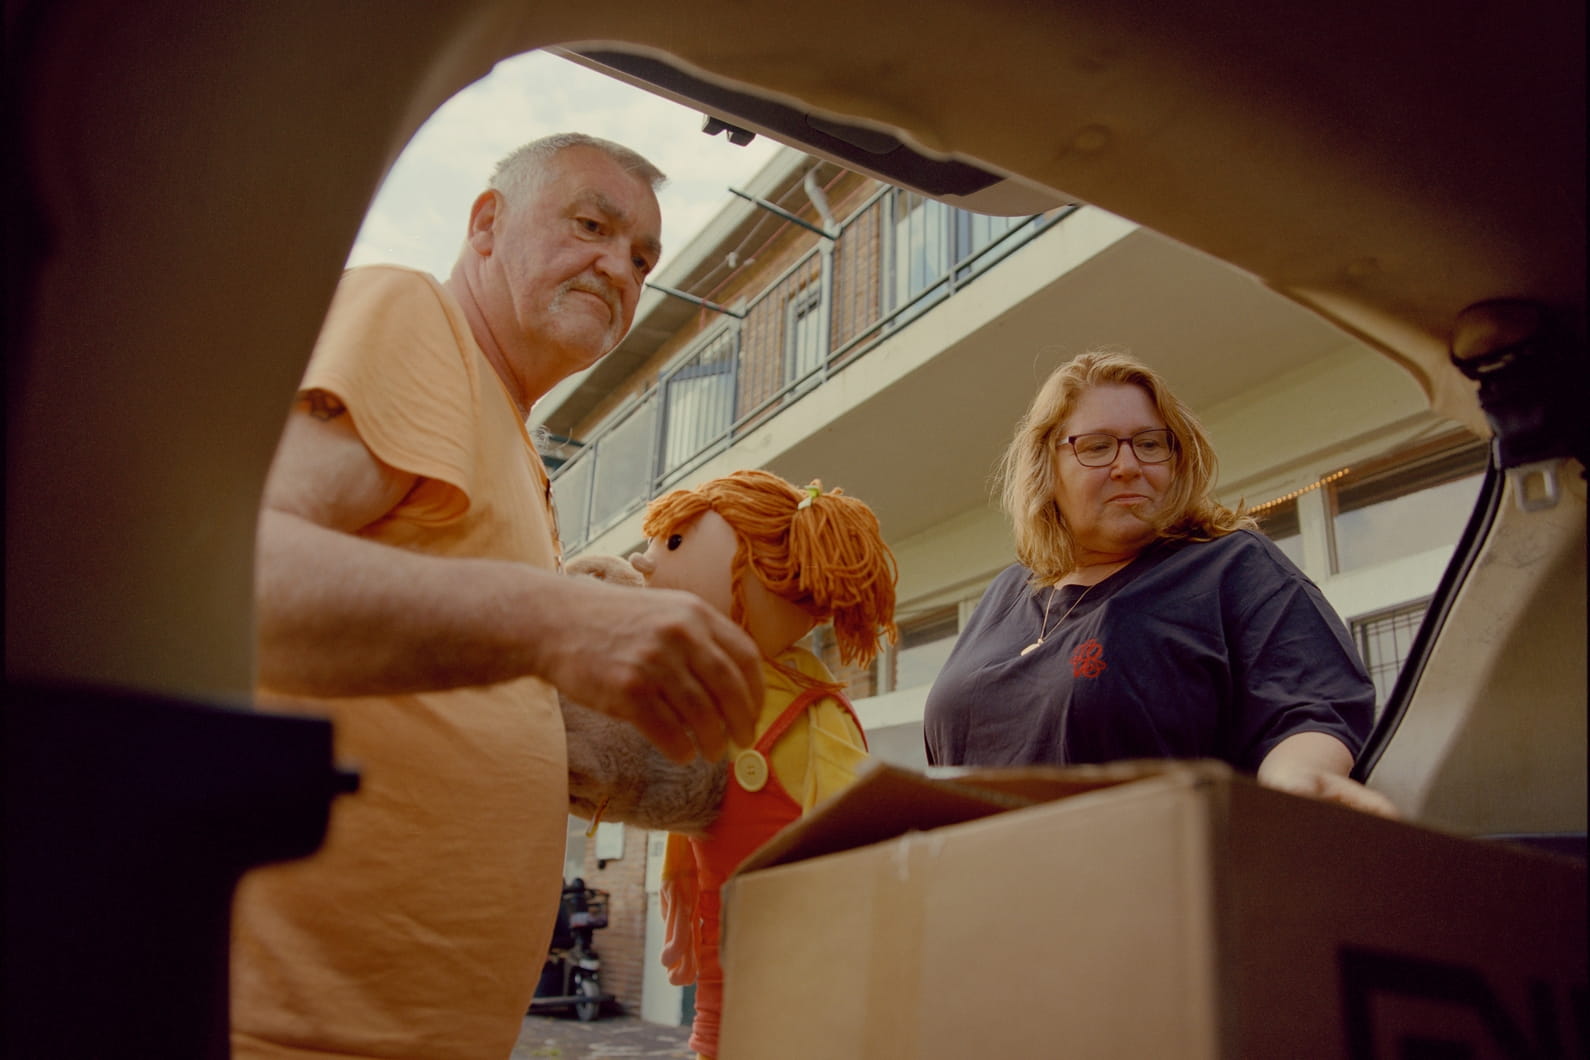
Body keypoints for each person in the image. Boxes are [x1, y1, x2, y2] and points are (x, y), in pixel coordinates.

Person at [234, 133, 763, 1060]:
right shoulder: (416, 317)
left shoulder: (514, 436)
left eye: (643, 258)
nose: (619, 267)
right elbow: (245, 578)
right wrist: (556, 620)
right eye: (592, 225)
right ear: (487, 224)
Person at [922, 350, 1395, 817]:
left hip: (1145, 877)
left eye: (1149, 444)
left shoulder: (1230, 566)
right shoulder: (1005, 592)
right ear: (1048, 468)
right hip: (977, 880)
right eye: (1097, 446)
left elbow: (1310, 707)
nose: (1128, 465)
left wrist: (1300, 779)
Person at [629, 470, 898, 1060]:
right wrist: (677, 887)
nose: (646, 563)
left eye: (673, 544)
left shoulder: (813, 713)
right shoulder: (704, 691)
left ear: (759, 566)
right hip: (724, 965)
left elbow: (856, 836)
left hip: (802, 974)